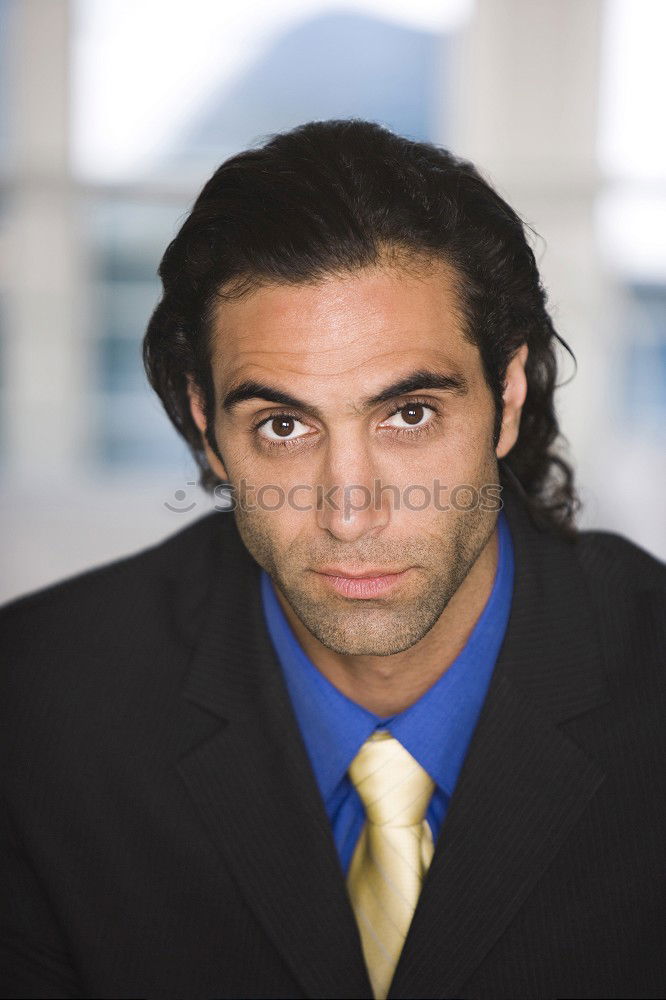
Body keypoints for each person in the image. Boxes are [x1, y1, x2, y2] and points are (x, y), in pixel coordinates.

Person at [1, 119, 664, 1000]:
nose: (349, 513)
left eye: (410, 415)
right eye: (283, 426)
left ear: (507, 399)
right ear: (207, 430)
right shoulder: (36, 709)